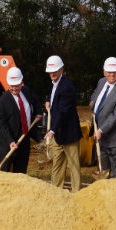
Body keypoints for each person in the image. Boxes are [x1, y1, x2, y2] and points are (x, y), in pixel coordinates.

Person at [44, 55, 82, 192]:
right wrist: (48, 99)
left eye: (55, 70)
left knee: (74, 166)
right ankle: (56, 192)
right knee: (57, 165)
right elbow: (54, 96)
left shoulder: (67, 87)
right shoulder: (55, 83)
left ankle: (76, 194)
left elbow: (62, 111)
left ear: (62, 70)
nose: (52, 73)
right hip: (58, 134)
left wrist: (52, 130)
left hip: (69, 133)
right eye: (50, 71)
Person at [0, 67, 43, 173]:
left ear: (22, 83)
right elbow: (1, 125)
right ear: (8, 84)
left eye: (17, 86)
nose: (15, 89)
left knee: (21, 172)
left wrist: (38, 112)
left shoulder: (27, 91)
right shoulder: (1, 102)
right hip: (9, 144)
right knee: (4, 173)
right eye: (12, 86)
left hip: (24, 140)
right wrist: (10, 141)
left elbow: (36, 100)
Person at [89, 57, 116, 178]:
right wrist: (92, 102)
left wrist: (101, 130)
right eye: (109, 72)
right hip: (101, 138)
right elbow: (95, 95)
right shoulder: (101, 82)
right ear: (104, 72)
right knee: (103, 171)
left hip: (115, 139)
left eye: (115, 72)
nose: (112, 74)